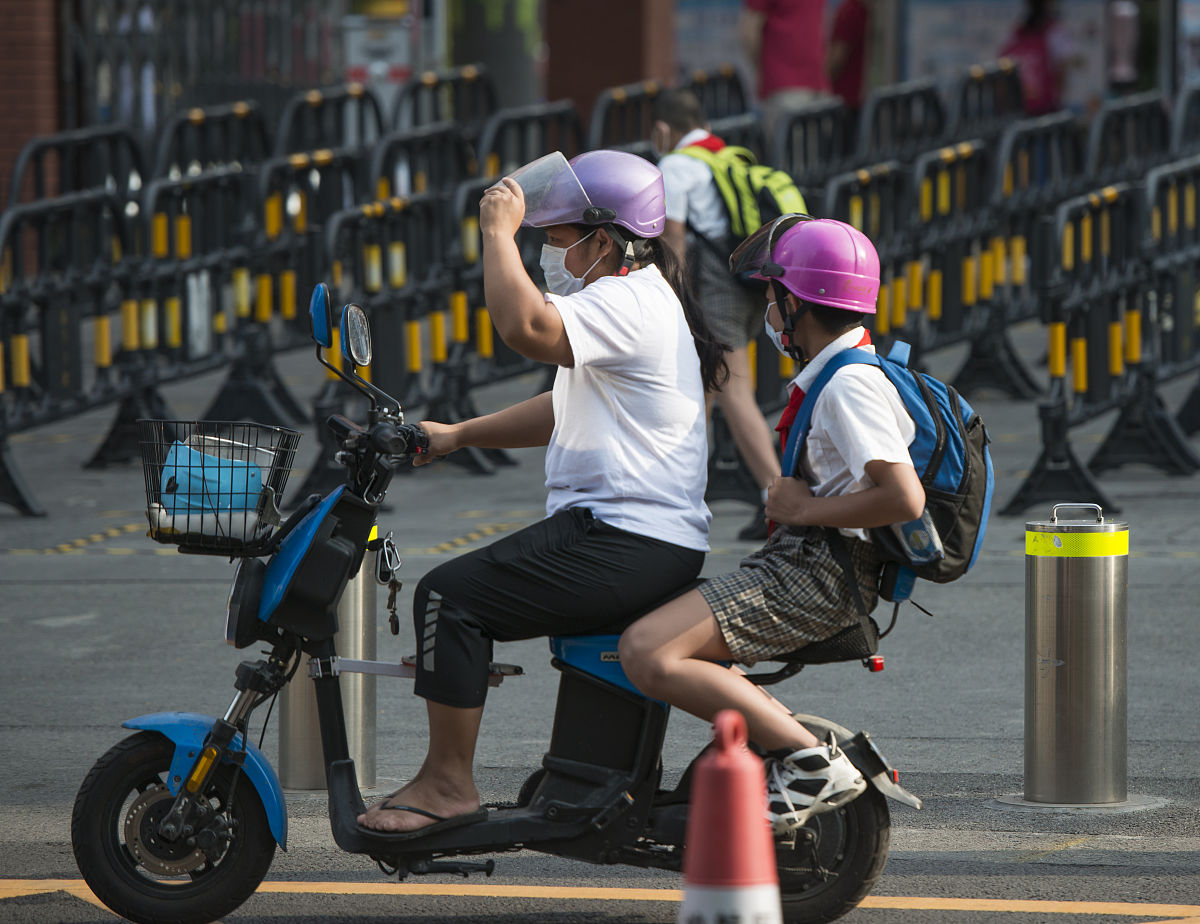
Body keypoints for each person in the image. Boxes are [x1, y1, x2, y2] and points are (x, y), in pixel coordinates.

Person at [357, 150, 728, 835]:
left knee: (451, 598)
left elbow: (524, 328)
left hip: (626, 540)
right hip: (636, 539)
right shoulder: (632, 300)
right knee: (461, 592)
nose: (549, 254)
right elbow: (565, 407)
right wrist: (459, 434)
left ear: (603, 239)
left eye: (556, 240)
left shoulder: (627, 300)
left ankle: (446, 785)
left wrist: (499, 233)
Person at [618, 215, 926, 834]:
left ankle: (812, 762)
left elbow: (903, 497)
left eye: (771, 296)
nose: (767, 309)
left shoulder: (850, 388)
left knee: (646, 650)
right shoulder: (839, 375)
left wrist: (804, 508)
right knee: (658, 629)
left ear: (798, 304)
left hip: (819, 573)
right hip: (802, 562)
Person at [652, 89, 781, 540]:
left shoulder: (675, 165)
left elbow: (674, 238)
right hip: (748, 282)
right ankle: (677, 490)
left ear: (664, 130)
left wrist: (672, 297)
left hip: (716, 293)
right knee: (700, 390)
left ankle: (776, 496)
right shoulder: (726, 155)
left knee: (733, 391)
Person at [739, 0, 831, 139]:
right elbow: (749, 32)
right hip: (787, 87)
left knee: (809, 156)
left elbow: (749, 32)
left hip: (813, 85)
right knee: (793, 155)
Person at [1000, 0, 1074, 115]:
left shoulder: (1016, 33)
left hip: (1018, 107)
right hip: (1045, 107)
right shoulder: (1054, 32)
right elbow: (1061, 71)